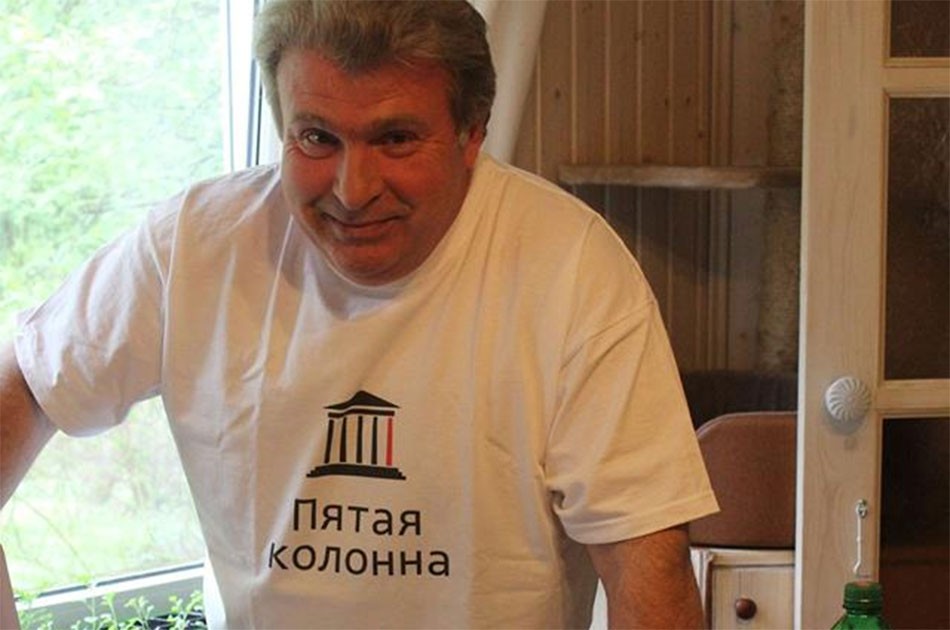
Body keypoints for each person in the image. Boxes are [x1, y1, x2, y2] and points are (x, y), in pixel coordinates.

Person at [0, 1, 718, 627]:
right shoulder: (196, 244)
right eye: (318, 138)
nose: (352, 189)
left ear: (472, 134)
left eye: (395, 139)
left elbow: (643, 559)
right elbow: (29, 380)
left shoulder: (572, 267)